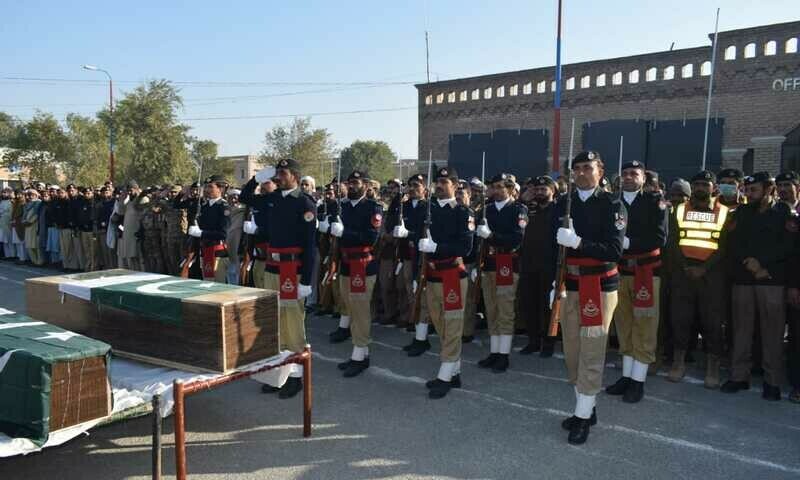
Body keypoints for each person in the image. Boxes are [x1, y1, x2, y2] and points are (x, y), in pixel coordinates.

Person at [552, 151, 625, 445]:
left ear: (600, 171)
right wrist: (552, 284)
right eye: (577, 168)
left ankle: (582, 417)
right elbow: (551, 249)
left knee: (592, 351)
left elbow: (614, 250)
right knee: (572, 353)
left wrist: (579, 242)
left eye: (588, 168)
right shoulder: (562, 204)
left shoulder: (612, 204)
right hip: (569, 284)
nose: (581, 173)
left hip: (599, 285)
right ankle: (587, 407)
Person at [722, 172, 794, 401]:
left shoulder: (784, 213)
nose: (749, 194)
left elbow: (789, 246)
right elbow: (731, 242)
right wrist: (750, 263)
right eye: (747, 190)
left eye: (754, 190)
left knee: (772, 333)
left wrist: (763, 265)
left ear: (768, 190)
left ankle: (771, 381)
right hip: (744, 278)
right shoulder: (741, 213)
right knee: (741, 330)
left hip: (771, 280)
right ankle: (738, 376)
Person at [604, 161, 668, 403]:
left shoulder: (655, 202)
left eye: (634, 173)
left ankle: (638, 381)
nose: (629, 177)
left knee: (645, 325)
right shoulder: (612, 202)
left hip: (645, 273)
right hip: (620, 272)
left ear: (643, 178)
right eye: (625, 173)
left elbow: (660, 237)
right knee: (624, 324)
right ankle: (626, 376)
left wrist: (627, 243)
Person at [255, 159, 317, 398]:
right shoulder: (273, 199)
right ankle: (279, 374)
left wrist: (306, 281)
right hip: (272, 267)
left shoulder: (304, 202)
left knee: (293, 323)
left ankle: (296, 377)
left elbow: (310, 245)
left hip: (292, 269)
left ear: (295, 176)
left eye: (282, 172)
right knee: (276, 320)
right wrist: (259, 178)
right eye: (277, 173)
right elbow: (247, 198)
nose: (278, 176)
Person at [413, 166, 473, 398]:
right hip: (432, 274)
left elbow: (465, 248)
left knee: (453, 326)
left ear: (455, 185)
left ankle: (445, 375)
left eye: (445, 182)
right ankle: (454, 370)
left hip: (452, 276)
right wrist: (417, 276)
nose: (439, 185)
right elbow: (419, 243)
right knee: (440, 325)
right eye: (437, 181)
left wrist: (437, 247)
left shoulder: (462, 212)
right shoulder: (427, 211)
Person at [666, 171, 729, 388]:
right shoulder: (680, 209)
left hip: (711, 276)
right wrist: (685, 266)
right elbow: (672, 241)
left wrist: (704, 268)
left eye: (705, 184)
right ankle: (678, 362)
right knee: (680, 319)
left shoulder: (724, 212)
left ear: (713, 187)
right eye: (697, 184)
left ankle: (712, 367)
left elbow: (725, 246)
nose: (701, 188)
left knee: (712, 323)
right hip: (684, 273)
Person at [328, 170, 383, 378]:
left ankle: (358, 356)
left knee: (360, 311)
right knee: (349, 307)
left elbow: (371, 238)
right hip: (345, 263)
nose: (351, 186)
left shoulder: (372, 207)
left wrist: (345, 233)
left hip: (362, 264)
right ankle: (362, 352)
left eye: (355, 183)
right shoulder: (341, 206)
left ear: (366, 185)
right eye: (349, 183)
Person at [476, 173, 527, 373]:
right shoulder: (486, 209)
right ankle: (494, 351)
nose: (496, 190)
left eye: (500, 186)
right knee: (491, 308)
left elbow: (516, 239)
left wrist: (491, 236)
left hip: (507, 262)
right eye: (493, 186)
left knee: (505, 310)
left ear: (510, 188)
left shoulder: (518, 209)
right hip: (488, 263)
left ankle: (504, 354)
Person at [518, 176, 558, 356]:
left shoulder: (558, 210)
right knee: (529, 304)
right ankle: (533, 341)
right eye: (538, 190)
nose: (540, 193)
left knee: (547, 306)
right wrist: (523, 200)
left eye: (544, 189)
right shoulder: (528, 210)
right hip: (528, 264)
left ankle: (548, 343)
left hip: (549, 266)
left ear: (553, 191)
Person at [394, 174, 431, 349]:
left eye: (417, 185)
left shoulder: (429, 207)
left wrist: (409, 234)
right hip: (407, 255)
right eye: (411, 185)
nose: (413, 188)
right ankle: (414, 320)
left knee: (421, 292)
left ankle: (422, 327)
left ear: (425, 188)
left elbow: (425, 233)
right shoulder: (404, 206)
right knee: (408, 288)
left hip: (422, 256)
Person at [777, 171, 800, 403]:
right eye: (780, 185)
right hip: (776, 280)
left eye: (788, 185)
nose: (784, 189)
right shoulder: (775, 210)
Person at [186, 175, 231, 282]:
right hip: (205, 250)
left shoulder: (223, 207)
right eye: (206, 187)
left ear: (220, 189)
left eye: (211, 187)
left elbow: (224, 233)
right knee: (207, 282)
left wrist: (201, 233)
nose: (207, 190)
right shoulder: (204, 206)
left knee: (218, 286)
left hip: (217, 252)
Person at [115, 181, 149, 271]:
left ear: (136, 189)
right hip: (128, 234)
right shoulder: (130, 201)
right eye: (128, 191)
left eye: (131, 190)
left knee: (139, 257)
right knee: (131, 257)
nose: (129, 193)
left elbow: (144, 215)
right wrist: (122, 199)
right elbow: (120, 212)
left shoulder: (143, 199)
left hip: (137, 233)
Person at [22, 189, 43, 265]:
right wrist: (24, 222)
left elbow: (37, 215)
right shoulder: (27, 204)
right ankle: (34, 261)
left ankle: (39, 262)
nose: (30, 196)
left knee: (36, 246)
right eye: (29, 195)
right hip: (27, 227)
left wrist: (30, 222)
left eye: (32, 194)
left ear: (36, 195)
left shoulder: (38, 202)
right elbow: (24, 215)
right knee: (29, 245)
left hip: (35, 226)